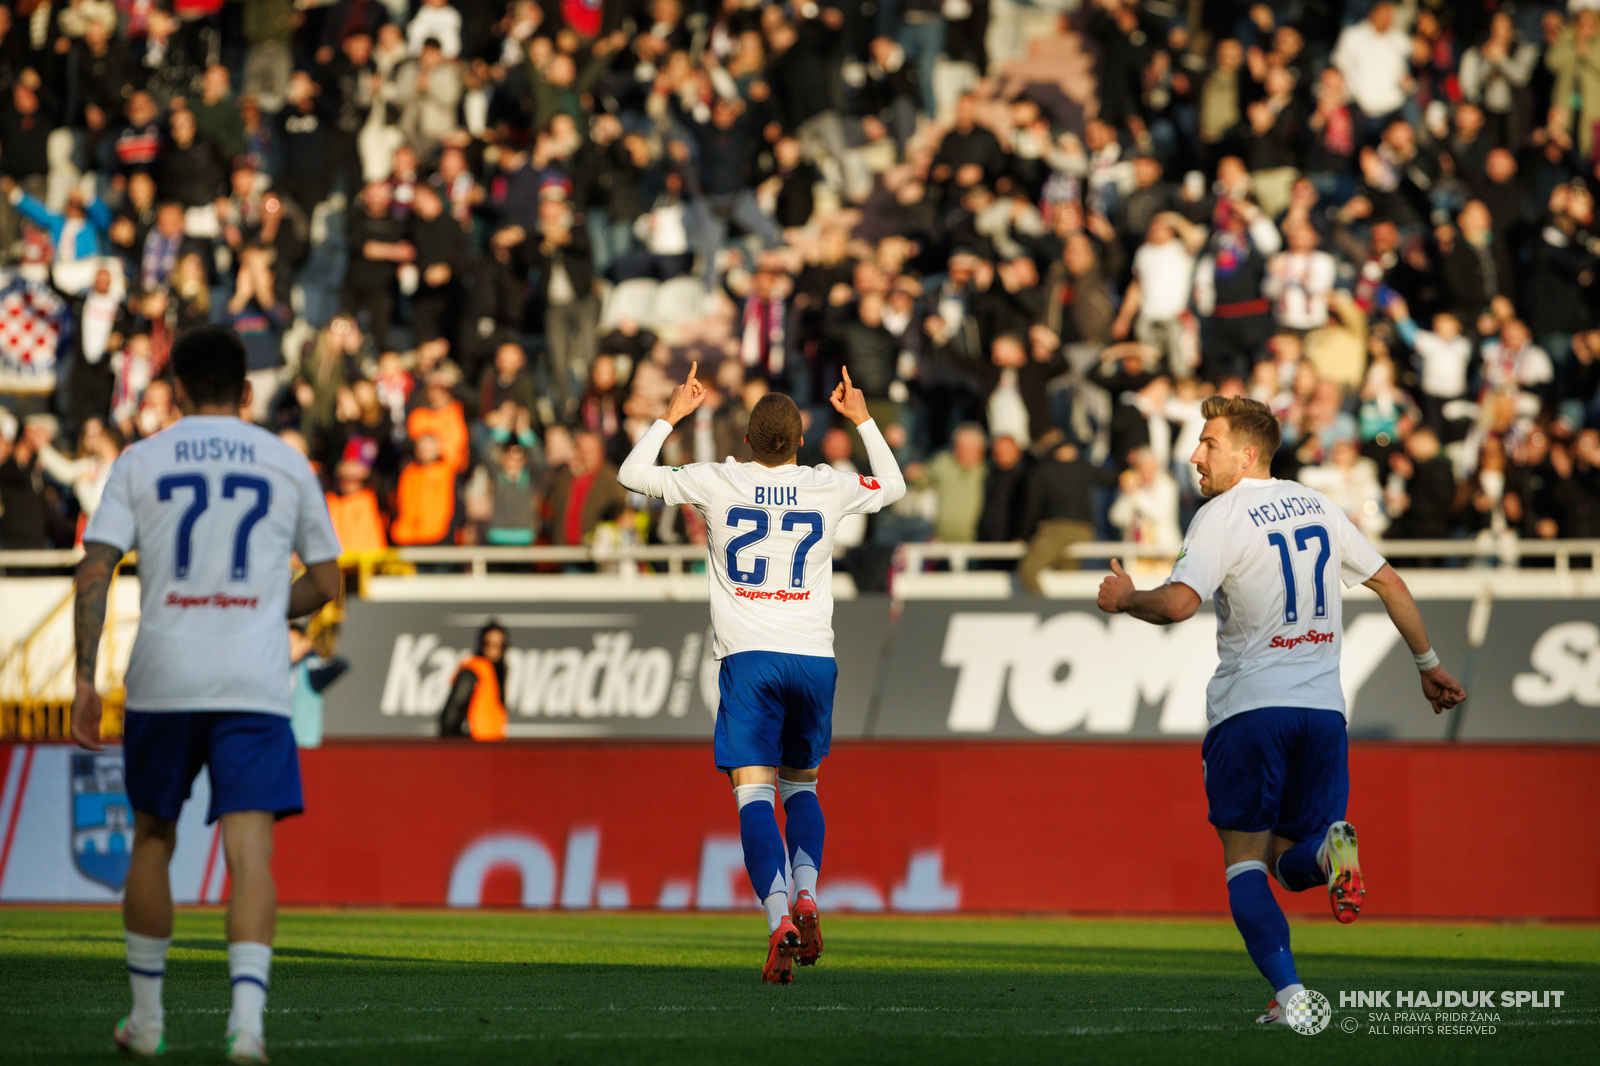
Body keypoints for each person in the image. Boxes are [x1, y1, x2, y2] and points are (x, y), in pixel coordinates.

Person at [1096, 396, 1465, 1027]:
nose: (1193, 455)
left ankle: (1292, 997)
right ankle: (1330, 856)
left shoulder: (1220, 516)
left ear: (1245, 454)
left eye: (1207, 443)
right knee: (1291, 864)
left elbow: (1181, 604)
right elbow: (1390, 583)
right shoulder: (1320, 506)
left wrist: (1129, 597)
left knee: (1243, 858)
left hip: (1251, 709)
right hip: (1323, 712)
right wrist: (1429, 667)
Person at [69, 325, 343, 1062]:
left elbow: (93, 570)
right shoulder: (286, 464)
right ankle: (247, 1028)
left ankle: (148, 1022)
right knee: (250, 853)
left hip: (164, 676)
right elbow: (326, 583)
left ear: (179, 390)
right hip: (251, 680)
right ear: (247, 391)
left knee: (153, 840)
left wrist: (84, 679)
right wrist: (257, 606)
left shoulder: (141, 459)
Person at [617, 364, 905, 983]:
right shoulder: (825, 485)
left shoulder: (717, 479)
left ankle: (779, 917)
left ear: (745, 441)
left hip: (748, 658)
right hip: (813, 657)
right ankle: (808, 895)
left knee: (753, 792)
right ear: (800, 442)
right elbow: (896, 484)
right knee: (803, 787)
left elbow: (631, 473)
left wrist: (672, 414)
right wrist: (862, 419)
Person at [439, 621, 509, 741]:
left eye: (499, 645)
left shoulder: (497, 674)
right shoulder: (472, 671)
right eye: (488, 643)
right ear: (481, 644)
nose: (493, 649)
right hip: (473, 747)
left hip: (493, 747)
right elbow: (450, 718)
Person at [288, 622, 349, 749]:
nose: (288, 649)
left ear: (305, 643)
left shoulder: (309, 672)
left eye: (292, 644)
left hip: (305, 748)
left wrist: (312, 657)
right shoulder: (277, 672)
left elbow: (340, 665)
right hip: (281, 747)